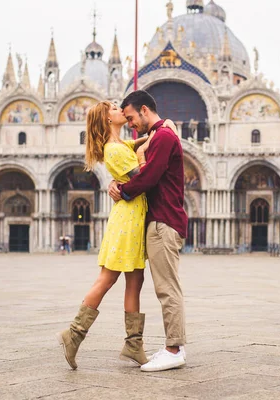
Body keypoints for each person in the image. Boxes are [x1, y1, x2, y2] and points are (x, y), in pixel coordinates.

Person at [56, 100, 177, 370]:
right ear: (107, 120)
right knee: (107, 278)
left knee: (135, 281)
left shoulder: (121, 145)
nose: (120, 110)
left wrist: (162, 128)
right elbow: (143, 178)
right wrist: (146, 154)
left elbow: (141, 143)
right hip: (127, 221)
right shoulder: (114, 150)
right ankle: (73, 334)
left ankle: (134, 344)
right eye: (113, 109)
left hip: (135, 218)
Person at [109, 90, 188, 372]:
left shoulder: (164, 137)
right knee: (164, 287)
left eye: (130, 117)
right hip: (161, 219)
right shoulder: (160, 134)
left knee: (167, 289)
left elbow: (150, 177)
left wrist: (121, 190)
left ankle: (174, 349)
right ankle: (172, 346)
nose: (130, 123)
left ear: (144, 110)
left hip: (165, 221)